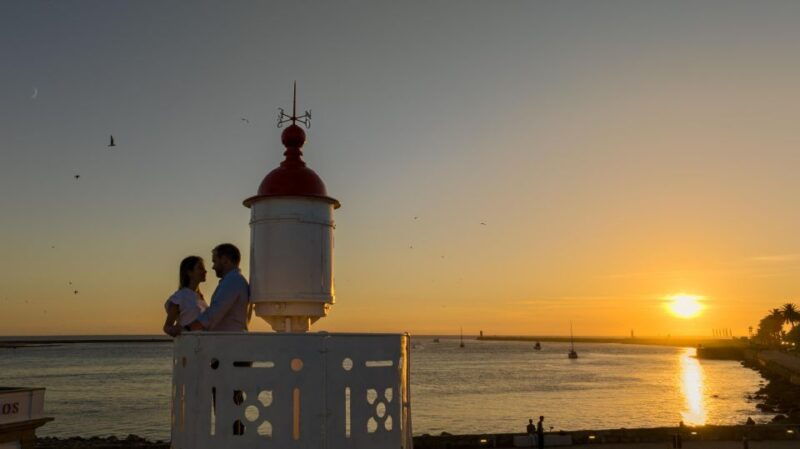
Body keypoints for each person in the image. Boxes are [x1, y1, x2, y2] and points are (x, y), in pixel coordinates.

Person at [185, 243, 250, 332]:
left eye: (215, 261)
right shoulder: (235, 280)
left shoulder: (232, 281)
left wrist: (187, 329)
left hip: (227, 340)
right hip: (229, 339)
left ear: (224, 260)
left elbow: (214, 313)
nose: (213, 267)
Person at [163, 256, 208, 337]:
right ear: (189, 272)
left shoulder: (200, 297)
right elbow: (167, 326)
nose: (205, 271)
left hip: (203, 344)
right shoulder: (180, 297)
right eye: (200, 268)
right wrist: (175, 330)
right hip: (188, 343)